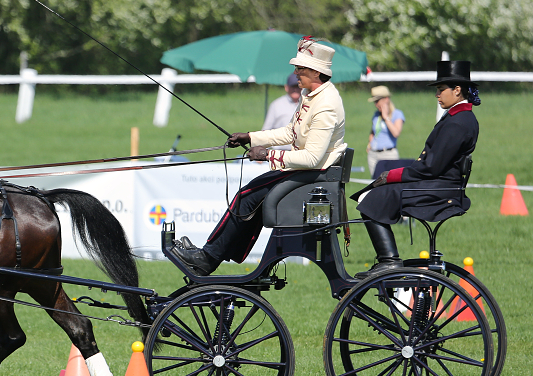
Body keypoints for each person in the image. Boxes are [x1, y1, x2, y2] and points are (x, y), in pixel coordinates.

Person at [172, 37, 347, 275]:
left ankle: (208, 257)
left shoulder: (325, 104)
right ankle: (211, 256)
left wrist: (267, 155)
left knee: (248, 195)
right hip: (309, 171)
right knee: (250, 195)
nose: (295, 72)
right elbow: (289, 132)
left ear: (316, 72)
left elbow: (313, 158)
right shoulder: (312, 96)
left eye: (300, 68)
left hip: (316, 174)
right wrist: (250, 138)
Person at [353, 61, 480, 277]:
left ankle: (388, 260)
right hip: (437, 182)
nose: (437, 95)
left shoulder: (458, 122)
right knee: (371, 194)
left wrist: (393, 175)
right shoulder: (458, 117)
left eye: (441, 90)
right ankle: (387, 259)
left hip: (438, 188)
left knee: (371, 199)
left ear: (457, 90)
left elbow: (431, 167)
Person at [366, 85, 405, 176]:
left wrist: (386, 118)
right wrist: (369, 144)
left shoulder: (397, 114)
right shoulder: (376, 115)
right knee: (375, 183)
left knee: (390, 183)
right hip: (373, 154)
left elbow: (396, 133)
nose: (376, 104)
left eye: (377, 101)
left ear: (386, 99)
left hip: (389, 154)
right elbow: (373, 131)